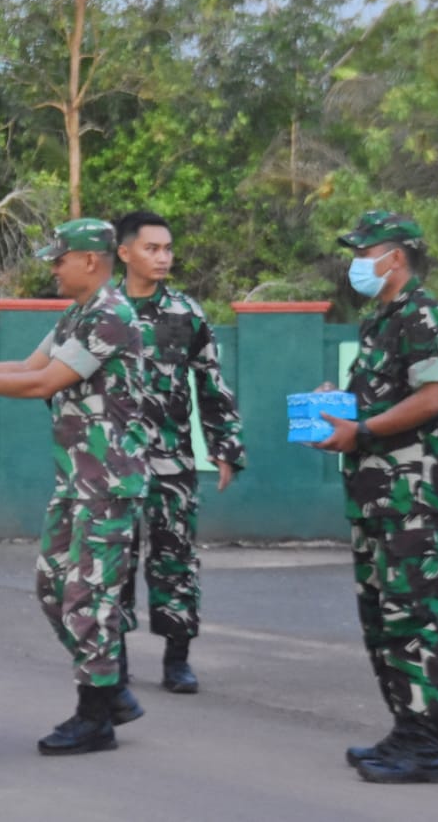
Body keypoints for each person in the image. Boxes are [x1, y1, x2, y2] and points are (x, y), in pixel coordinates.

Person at [0, 218, 149, 756]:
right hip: (75, 479)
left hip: (108, 481)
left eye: (59, 258)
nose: (52, 267)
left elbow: (44, 384)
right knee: (53, 589)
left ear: (91, 261)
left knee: (86, 596)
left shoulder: (111, 315)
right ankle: (112, 688)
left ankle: (95, 715)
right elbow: (29, 365)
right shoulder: (76, 314)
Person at [315, 210, 438, 785]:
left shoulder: (423, 315)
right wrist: (339, 407)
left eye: (364, 251)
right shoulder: (379, 320)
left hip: (411, 496)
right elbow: (380, 400)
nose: (356, 262)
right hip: (374, 495)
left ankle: (427, 746)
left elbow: (430, 400)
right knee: (380, 617)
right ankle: (405, 728)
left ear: (393, 257)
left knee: (411, 616)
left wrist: (363, 432)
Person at [112, 211, 246, 694]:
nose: (163, 257)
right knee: (114, 562)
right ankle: (115, 660)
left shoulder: (185, 313)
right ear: (124, 253)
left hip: (172, 461)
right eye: (152, 248)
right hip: (113, 463)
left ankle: (177, 658)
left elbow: (212, 383)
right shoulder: (103, 311)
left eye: (168, 248)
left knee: (176, 558)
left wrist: (225, 446)